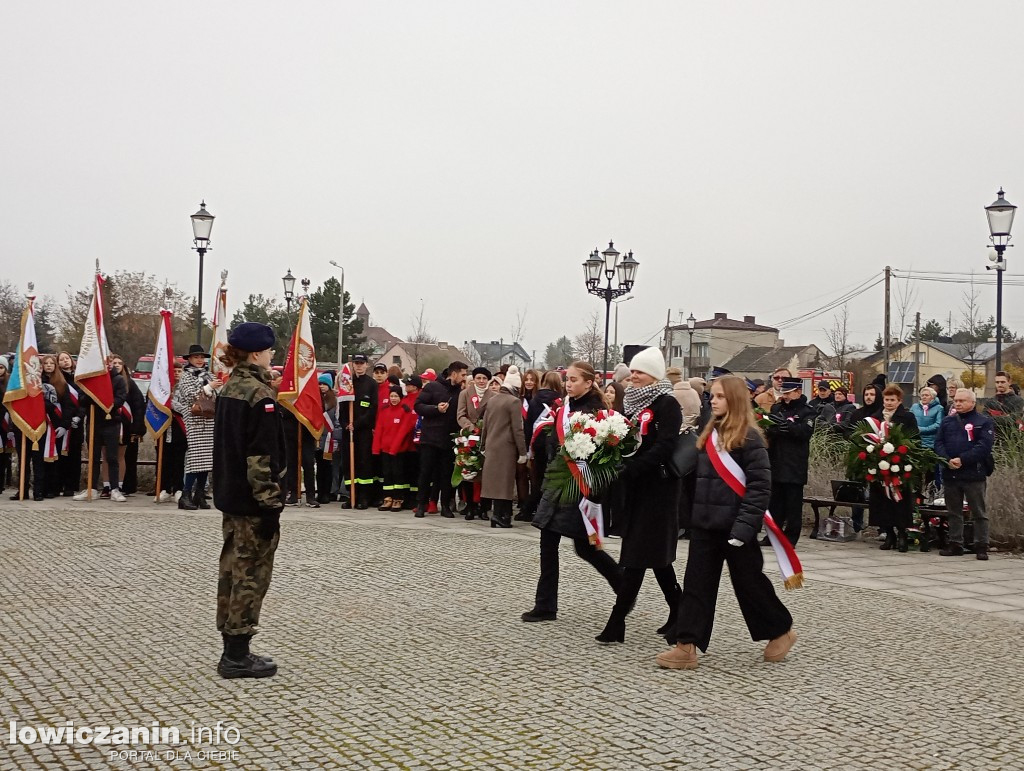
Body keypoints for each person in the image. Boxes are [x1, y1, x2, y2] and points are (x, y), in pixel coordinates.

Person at [656, 375, 796, 670]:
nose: (713, 401)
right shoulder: (710, 433)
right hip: (706, 525)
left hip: (736, 527)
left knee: (749, 584)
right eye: (713, 396)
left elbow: (760, 487)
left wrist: (744, 528)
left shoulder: (750, 438)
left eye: (719, 396)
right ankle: (686, 646)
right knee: (696, 585)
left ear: (734, 400)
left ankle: (780, 630)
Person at [521, 362, 623, 622]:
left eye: (575, 380)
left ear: (589, 383)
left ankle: (625, 588)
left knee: (586, 547)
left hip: (579, 486)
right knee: (549, 543)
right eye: (567, 379)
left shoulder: (597, 412)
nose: (569, 383)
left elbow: (601, 455)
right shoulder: (564, 408)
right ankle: (545, 605)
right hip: (557, 482)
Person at [212, 322, 285, 678]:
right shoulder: (258, 395)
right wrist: (270, 503)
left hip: (231, 495)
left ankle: (233, 645)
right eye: (270, 350)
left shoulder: (231, 388)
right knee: (250, 574)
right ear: (256, 353)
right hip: (251, 501)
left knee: (232, 570)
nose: (273, 355)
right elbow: (260, 458)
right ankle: (237, 653)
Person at [596, 347, 682, 644]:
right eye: (632, 371)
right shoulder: (630, 404)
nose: (633, 376)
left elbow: (666, 445)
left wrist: (633, 466)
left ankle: (616, 622)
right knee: (656, 557)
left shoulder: (667, 403)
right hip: (634, 488)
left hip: (658, 488)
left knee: (634, 556)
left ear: (654, 376)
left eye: (640, 372)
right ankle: (680, 611)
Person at [935, 389, 995, 560]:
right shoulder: (947, 421)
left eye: (962, 401)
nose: (958, 403)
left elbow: (984, 446)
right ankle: (955, 543)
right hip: (951, 473)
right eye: (956, 400)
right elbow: (938, 443)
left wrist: (962, 459)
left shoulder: (983, 422)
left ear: (972, 403)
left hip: (973, 473)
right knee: (954, 511)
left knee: (978, 512)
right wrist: (947, 459)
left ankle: (981, 545)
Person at [764, 377, 815, 546]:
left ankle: (790, 538)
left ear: (798, 392)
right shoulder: (777, 408)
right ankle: (772, 536)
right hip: (777, 461)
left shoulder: (807, 411)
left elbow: (805, 432)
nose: (785, 396)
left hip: (794, 464)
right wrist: (774, 428)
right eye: (783, 393)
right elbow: (769, 429)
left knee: (793, 505)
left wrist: (788, 427)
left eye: (788, 393)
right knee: (774, 504)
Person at [414, 360, 468, 518]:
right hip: (430, 438)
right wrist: (435, 409)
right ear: (454, 373)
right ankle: (421, 504)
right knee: (426, 472)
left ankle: (445, 505)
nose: (465, 378)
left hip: (450, 440)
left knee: (446, 474)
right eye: (463, 374)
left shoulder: (462, 392)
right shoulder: (433, 386)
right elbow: (418, 405)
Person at [869, 385, 919, 552]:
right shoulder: (875, 417)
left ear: (899, 401)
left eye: (892, 400)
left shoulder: (907, 417)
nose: (889, 403)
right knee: (882, 502)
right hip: (880, 466)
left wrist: (901, 452)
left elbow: (914, 438)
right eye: (886, 400)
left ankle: (903, 535)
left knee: (899, 502)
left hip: (900, 466)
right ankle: (889, 534)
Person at [73, 355, 129, 502]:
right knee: (93, 457)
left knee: (112, 457)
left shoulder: (118, 379)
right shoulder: (90, 380)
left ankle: (114, 489)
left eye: (108, 361)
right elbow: (82, 399)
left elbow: (120, 398)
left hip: (111, 422)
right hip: (93, 422)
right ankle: (91, 488)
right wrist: (93, 396)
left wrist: (105, 403)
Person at [172, 344, 218, 510]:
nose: (199, 360)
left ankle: (199, 494)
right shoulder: (186, 376)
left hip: (209, 418)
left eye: (201, 357)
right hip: (194, 418)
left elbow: (217, 393)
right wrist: (208, 388)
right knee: (195, 457)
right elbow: (190, 395)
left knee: (206, 458)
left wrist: (213, 388)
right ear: (189, 359)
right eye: (196, 357)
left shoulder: (209, 374)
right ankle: (185, 494)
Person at [480, 366, 527, 529]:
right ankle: (502, 516)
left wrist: (483, 444)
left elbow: (485, 425)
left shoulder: (492, 400)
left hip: (492, 445)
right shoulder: (514, 402)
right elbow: (517, 429)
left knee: (495, 482)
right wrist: (523, 452)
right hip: (506, 447)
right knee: (505, 483)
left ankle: (499, 515)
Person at [522, 371, 564, 522]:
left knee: (537, 478)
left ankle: (529, 509)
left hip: (536, 443)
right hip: (553, 443)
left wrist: (528, 447)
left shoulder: (534, 400)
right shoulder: (561, 401)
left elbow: (528, 425)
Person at [457, 367, 494, 520]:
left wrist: (483, 428)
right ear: (474, 379)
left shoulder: (493, 395)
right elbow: (460, 415)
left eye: (484, 379)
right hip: (469, 435)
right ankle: (470, 506)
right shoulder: (465, 393)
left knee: (486, 474)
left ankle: (484, 507)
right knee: (469, 471)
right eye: (478, 378)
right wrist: (472, 428)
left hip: (487, 436)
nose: (481, 381)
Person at [341, 354, 377, 509]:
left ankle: (363, 497)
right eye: (356, 363)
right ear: (352, 364)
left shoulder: (371, 384)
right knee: (349, 463)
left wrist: (357, 423)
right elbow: (342, 406)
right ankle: (352, 495)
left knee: (364, 463)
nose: (359, 366)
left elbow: (372, 409)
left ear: (367, 365)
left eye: (362, 363)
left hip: (363, 430)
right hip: (348, 430)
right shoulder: (347, 382)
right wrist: (344, 424)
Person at [374, 383, 417, 511]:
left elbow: (403, 431)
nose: (393, 398)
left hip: (398, 450)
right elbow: (379, 429)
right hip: (385, 449)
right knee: (387, 473)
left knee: (398, 473)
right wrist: (376, 448)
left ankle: (398, 499)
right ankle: (388, 498)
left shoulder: (405, 410)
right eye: (391, 396)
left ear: (400, 397)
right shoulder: (384, 410)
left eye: (396, 396)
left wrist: (394, 448)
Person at [911, 385, 944, 503]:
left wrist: (922, 430)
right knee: (917, 473)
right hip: (916, 444)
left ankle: (931, 496)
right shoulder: (915, 407)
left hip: (931, 445)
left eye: (927, 395)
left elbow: (938, 424)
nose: (924, 397)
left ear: (933, 397)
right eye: (922, 395)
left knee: (931, 473)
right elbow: (910, 420)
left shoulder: (939, 408)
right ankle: (916, 497)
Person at [56, 351, 83, 496]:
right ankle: (58, 483)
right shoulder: (57, 379)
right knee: (60, 453)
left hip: (77, 422)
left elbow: (84, 400)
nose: (65, 361)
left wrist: (79, 416)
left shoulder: (79, 378)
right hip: (62, 421)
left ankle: (71, 485)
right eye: (61, 359)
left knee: (74, 454)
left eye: (67, 358)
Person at [314, 374, 339, 506]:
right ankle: (320, 491)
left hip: (330, 438)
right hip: (318, 438)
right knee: (319, 467)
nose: (322, 387)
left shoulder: (334, 401)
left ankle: (328, 493)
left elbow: (337, 421)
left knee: (328, 467)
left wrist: (336, 438)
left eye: (324, 384)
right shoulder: (315, 400)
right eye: (320, 384)